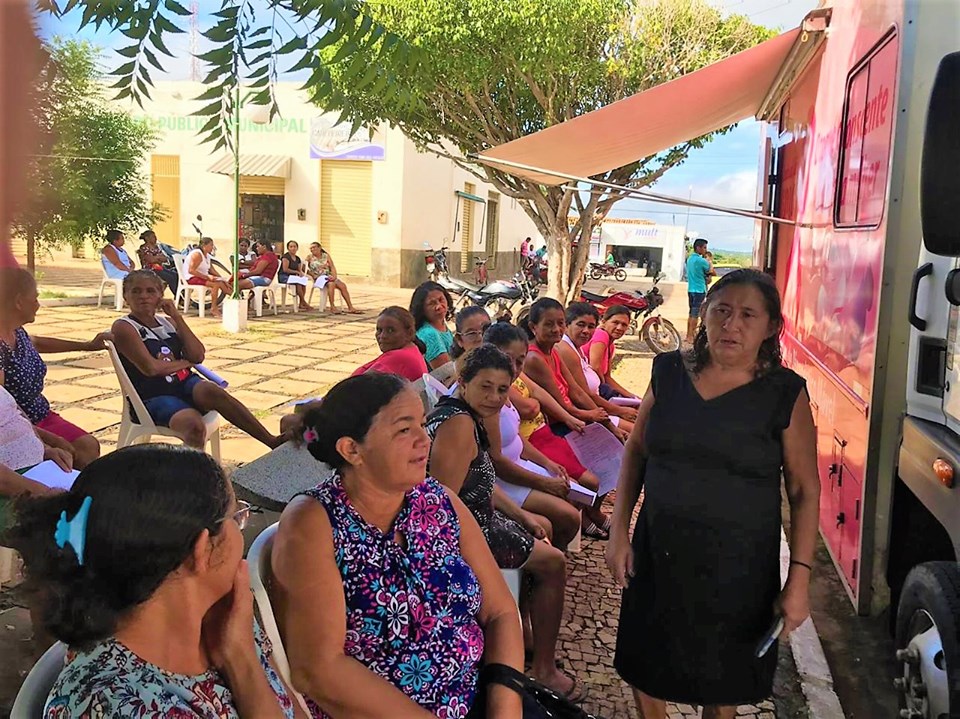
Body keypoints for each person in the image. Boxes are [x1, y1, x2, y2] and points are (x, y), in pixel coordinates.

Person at [606, 269, 820, 719]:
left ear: (772, 327)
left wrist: (798, 578)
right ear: (704, 314)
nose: (731, 324)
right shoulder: (667, 373)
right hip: (657, 552)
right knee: (647, 661)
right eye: (721, 311)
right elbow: (637, 453)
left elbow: (803, 490)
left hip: (739, 567)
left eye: (747, 314)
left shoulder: (785, 394)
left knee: (723, 678)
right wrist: (618, 533)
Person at [271, 373, 524, 718]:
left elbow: (501, 612)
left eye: (422, 423)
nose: (425, 439)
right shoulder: (314, 523)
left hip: (477, 696)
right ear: (352, 449)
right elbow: (318, 670)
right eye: (405, 430)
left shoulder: (438, 500)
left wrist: (505, 707)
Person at [5, 444, 299, 718]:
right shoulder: (118, 703)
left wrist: (241, 656)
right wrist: (243, 663)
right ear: (201, 549)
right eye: (236, 517)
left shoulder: (227, 616)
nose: (240, 531)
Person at [427, 346, 581, 700]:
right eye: (485, 387)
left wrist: (520, 514)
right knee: (553, 562)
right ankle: (545, 669)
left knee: (538, 532)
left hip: (482, 518)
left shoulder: (466, 415)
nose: (495, 397)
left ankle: (523, 633)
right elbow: (441, 501)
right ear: (462, 383)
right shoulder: (458, 425)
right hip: (469, 533)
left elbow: (478, 481)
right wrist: (473, 550)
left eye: (501, 389)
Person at [111, 270, 284, 449]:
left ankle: (270, 441)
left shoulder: (168, 323)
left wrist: (177, 317)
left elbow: (197, 355)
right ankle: (197, 475)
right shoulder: (124, 327)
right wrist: (186, 363)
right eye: (136, 291)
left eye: (150, 291)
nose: (144, 297)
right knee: (194, 426)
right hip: (153, 395)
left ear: (160, 296)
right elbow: (151, 368)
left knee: (214, 391)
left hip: (183, 383)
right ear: (126, 296)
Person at [482, 322, 581, 551]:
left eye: (520, 360)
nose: (515, 367)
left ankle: (553, 558)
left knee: (572, 490)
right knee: (568, 516)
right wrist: (544, 482)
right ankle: (548, 562)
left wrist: (548, 464)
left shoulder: (507, 387)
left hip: (518, 466)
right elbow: (497, 462)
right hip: (503, 481)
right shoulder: (488, 397)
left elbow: (516, 438)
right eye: (508, 359)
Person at [0, 267, 106, 468]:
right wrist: (47, 441)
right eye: (36, 298)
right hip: (15, 426)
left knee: (87, 447)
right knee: (71, 454)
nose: (38, 304)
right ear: (19, 301)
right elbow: (4, 410)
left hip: (41, 414)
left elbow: (38, 342)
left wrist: (87, 346)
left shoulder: (16, 331)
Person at [558, 303, 637, 431]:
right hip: (589, 412)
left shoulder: (578, 348)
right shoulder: (567, 349)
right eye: (581, 325)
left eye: (591, 326)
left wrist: (631, 397)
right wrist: (617, 413)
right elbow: (581, 394)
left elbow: (605, 377)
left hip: (598, 406)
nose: (586, 331)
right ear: (567, 325)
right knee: (639, 432)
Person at [350, 306, 428, 382]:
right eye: (379, 330)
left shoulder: (400, 357)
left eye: (390, 330)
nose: (382, 336)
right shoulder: (410, 349)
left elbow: (358, 385)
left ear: (409, 333)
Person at [584, 304, 640, 401]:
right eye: (615, 322)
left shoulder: (611, 346)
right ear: (604, 322)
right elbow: (595, 367)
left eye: (624, 325)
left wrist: (633, 397)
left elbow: (607, 377)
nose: (619, 328)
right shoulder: (601, 335)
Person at [186, 237, 237, 319]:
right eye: (211, 245)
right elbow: (191, 271)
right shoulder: (197, 254)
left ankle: (236, 300)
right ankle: (214, 308)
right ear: (204, 245)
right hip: (192, 278)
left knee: (221, 283)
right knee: (215, 285)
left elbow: (212, 270)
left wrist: (222, 279)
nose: (212, 247)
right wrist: (207, 277)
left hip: (202, 277)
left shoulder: (207, 256)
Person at [305, 243, 361, 314]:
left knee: (342, 285)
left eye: (314, 247)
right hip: (319, 277)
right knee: (331, 284)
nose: (312, 249)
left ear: (319, 248)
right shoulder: (309, 257)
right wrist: (312, 274)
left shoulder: (326, 256)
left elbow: (332, 267)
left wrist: (334, 276)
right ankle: (332, 306)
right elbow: (303, 267)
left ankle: (350, 307)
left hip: (328, 276)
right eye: (311, 248)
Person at [410, 281, 455, 370]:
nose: (439, 306)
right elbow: (447, 372)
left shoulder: (442, 327)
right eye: (432, 303)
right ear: (422, 309)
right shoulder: (430, 334)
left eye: (441, 300)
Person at [685, 238, 712, 344]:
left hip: (691, 288)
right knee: (696, 314)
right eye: (704, 247)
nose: (705, 250)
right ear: (698, 248)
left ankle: (688, 334)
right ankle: (691, 337)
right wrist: (709, 261)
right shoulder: (702, 261)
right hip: (700, 290)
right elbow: (711, 271)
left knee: (691, 313)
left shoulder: (689, 259)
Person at [136, 230, 179, 295]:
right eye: (153, 237)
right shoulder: (144, 248)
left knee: (175, 275)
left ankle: (180, 296)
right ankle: (179, 297)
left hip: (160, 268)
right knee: (170, 278)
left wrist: (156, 257)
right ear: (147, 238)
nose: (155, 238)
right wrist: (158, 257)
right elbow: (151, 260)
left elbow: (164, 258)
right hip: (150, 270)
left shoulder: (156, 247)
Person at [279, 241, 312, 312]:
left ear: (297, 248)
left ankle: (301, 303)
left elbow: (299, 269)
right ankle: (304, 302)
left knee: (302, 282)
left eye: (294, 247)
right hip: (284, 276)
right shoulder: (286, 257)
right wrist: (296, 272)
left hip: (293, 276)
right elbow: (285, 269)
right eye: (291, 247)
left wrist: (300, 274)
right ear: (288, 248)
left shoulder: (297, 258)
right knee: (298, 282)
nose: (293, 248)